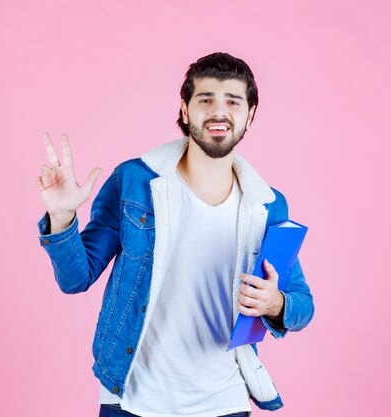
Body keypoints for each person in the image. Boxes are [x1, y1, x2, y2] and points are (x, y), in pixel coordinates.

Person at [36, 52, 314, 417]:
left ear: (250, 115)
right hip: (130, 397)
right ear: (184, 110)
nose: (219, 111)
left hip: (224, 400)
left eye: (233, 101)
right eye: (205, 99)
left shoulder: (268, 205)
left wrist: (275, 303)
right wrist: (62, 215)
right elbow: (75, 278)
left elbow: (302, 305)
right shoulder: (135, 182)